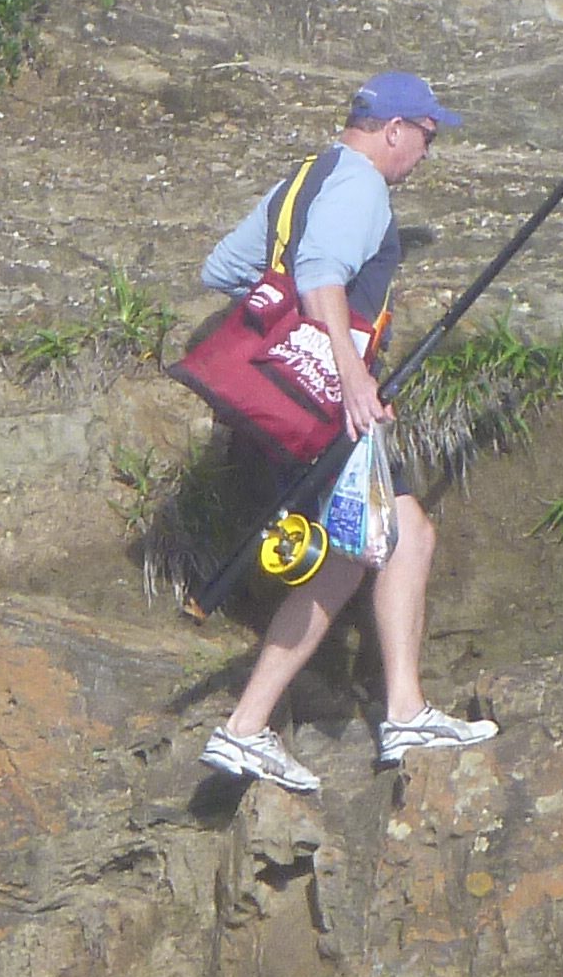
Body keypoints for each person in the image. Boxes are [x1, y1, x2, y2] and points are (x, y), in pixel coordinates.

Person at [189, 71, 503, 796]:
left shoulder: (308, 175)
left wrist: (286, 335)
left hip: (274, 400)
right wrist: (350, 374)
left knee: (360, 549)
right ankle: (388, 714)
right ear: (394, 129)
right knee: (393, 537)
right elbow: (322, 273)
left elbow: (226, 268)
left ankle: (262, 728)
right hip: (329, 402)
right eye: (426, 137)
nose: (426, 153)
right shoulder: (362, 185)